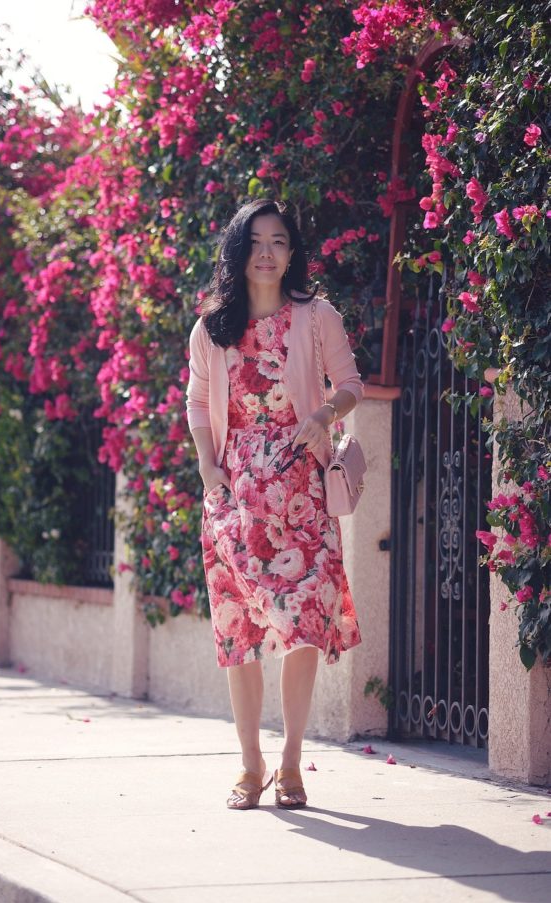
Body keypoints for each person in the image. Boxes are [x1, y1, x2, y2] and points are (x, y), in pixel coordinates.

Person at [186, 198, 364, 810]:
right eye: (256, 242)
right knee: (239, 631)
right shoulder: (211, 328)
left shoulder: (317, 318)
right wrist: (209, 466)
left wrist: (324, 413)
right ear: (239, 251)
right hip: (233, 498)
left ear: (292, 252)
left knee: (303, 625)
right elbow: (196, 402)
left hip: (300, 496)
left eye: (279, 242)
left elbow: (350, 384)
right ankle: (249, 763)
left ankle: (290, 763)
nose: (267, 253)